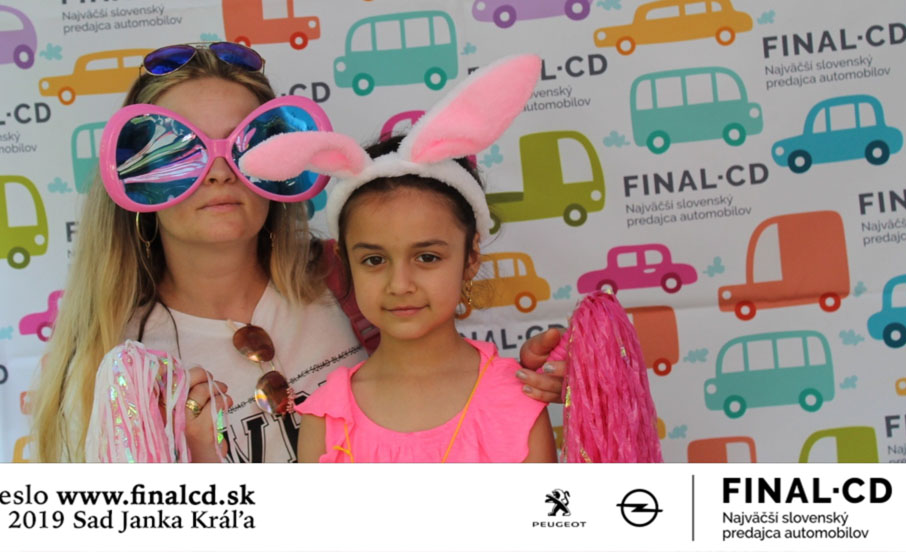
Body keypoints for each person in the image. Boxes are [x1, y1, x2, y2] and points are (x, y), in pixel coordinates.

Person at [30, 43, 566, 463]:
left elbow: (434, 395)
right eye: (178, 150)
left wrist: (517, 389)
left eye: (245, 144)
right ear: (136, 176)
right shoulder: (114, 363)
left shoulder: (344, 276)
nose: (218, 171)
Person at [241, 55, 555, 462]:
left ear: (471, 256)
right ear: (345, 262)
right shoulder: (327, 415)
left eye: (427, 257)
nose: (400, 284)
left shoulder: (518, 397)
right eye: (374, 260)